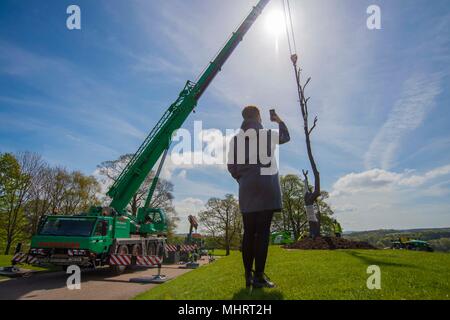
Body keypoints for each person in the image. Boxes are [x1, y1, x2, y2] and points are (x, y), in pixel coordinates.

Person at [227, 105, 290, 288]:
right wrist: (279, 121)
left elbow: (231, 166)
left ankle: (248, 276)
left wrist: (243, 179)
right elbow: (286, 137)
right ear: (258, 117)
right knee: (262, 233)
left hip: (247, 187)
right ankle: (259, 276)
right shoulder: (267, 134)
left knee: (248, 233)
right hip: (266, 186)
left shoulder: (235, 140)